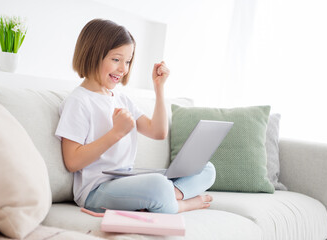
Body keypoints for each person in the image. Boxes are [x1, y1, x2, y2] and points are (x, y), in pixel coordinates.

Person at [55, 19, 216, 214]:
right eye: (116, 59)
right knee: (158, 185)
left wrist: (159, 88)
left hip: (126, 180)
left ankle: (167, 197)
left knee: (206, 168)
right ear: (92, 55)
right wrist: (116, 133)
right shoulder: (79, 101)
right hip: (96, 191)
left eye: (128, 61)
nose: (124, 69)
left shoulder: (121, 98)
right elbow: (72, 162)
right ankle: (179, 203)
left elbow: (158, 132)